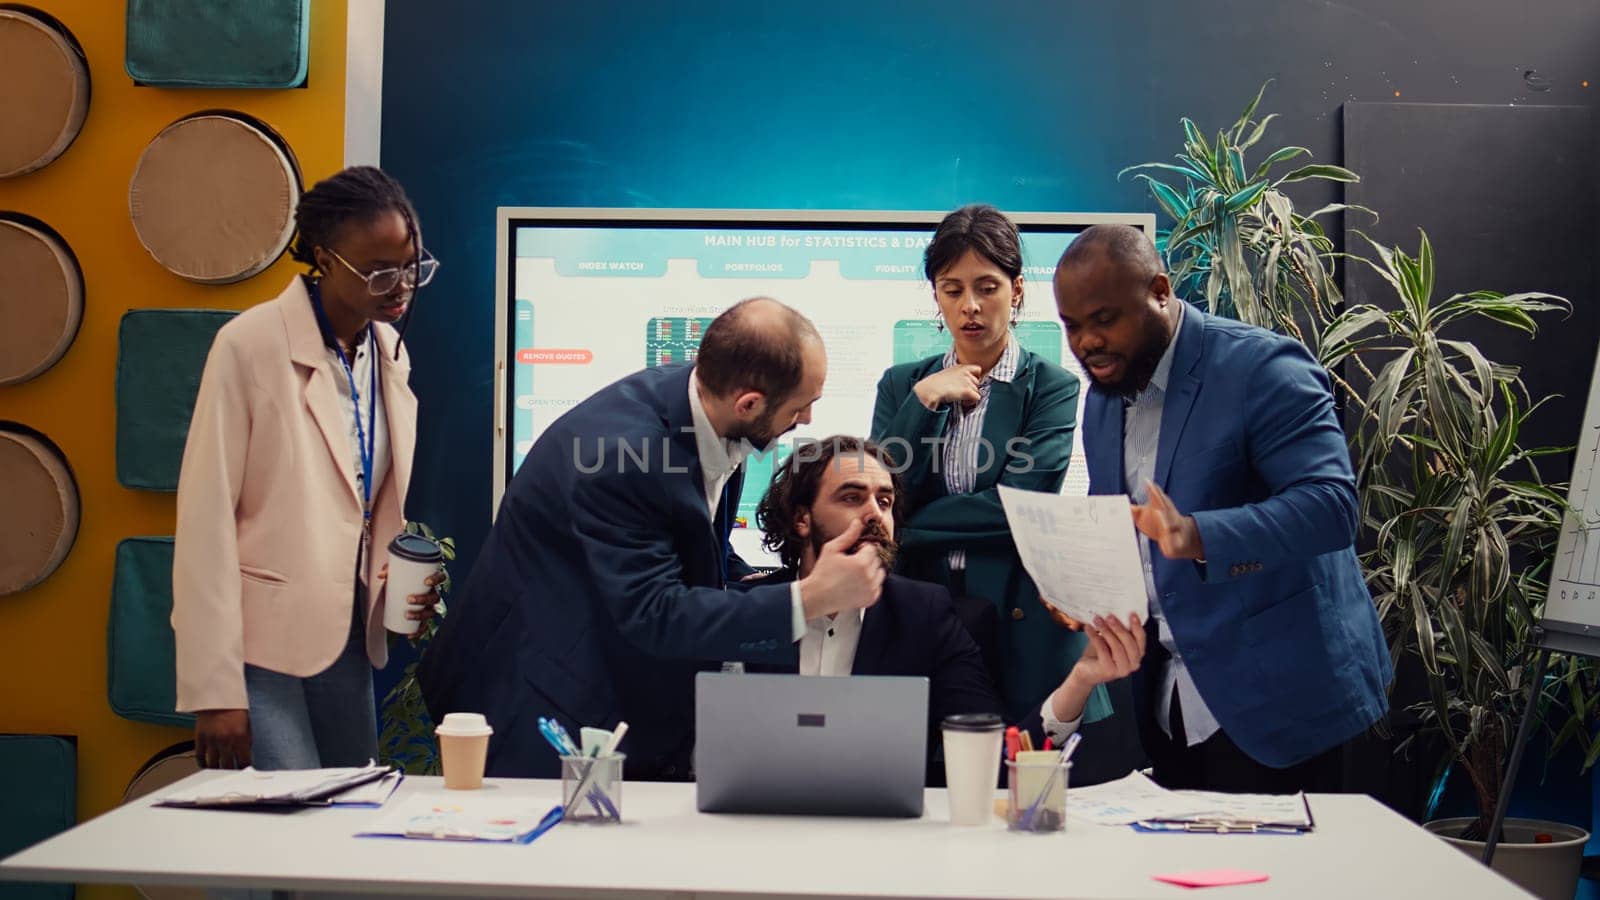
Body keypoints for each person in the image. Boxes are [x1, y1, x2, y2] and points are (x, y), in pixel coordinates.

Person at [420, 298, 886, 779]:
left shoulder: (715, 402)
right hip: (541, 700)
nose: (807, 419)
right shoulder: (621, 457)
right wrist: (808, 598)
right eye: (801, 406)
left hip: (603, 675)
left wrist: (763, 579)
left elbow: (689, 538)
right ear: (749, 402)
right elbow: (652, 611)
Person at [1051, 224, 1391, 792]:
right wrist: (1077, 586)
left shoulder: (1261, 369)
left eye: (1104, 319)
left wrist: (1198, 535)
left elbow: (1332, 507)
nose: (1087, 342)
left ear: (1159, 291)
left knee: (1281, 883)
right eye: (1072, 326)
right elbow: (1124, 527)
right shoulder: (1103, 402)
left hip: (1284, 706)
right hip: (1169, 705)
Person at [173, 166, 443, 770]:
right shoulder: (250, 346)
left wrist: (394, 584)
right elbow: (205, 516)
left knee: (348, 815)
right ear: (324, 258)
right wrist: (215, 691)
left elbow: (360, 496)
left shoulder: (390, 352)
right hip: (258, 644)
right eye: (377, 271)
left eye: (410, 265)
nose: (399, 285)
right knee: (288, 822)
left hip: (346, 634)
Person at [746, 435, 1144, 779]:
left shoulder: (923, 614)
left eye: (884, 501)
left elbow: (998, 755)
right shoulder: (749, 610)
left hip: (881, 835)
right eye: (852, 497)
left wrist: (1081, 679)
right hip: (752, 823)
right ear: (801, 519)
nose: (875, 514)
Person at [871, 203, 1111, 729]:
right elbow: (879, 490)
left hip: (1018, 622)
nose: (970, 306)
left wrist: (904, 528)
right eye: (952, 289)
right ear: (935, 294)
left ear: (1017, 290)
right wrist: (922, 403)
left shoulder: (1052, 387)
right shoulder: (902, 384)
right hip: (921, 613)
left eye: (987, 287)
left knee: (1023, 788)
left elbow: (1016, 509)